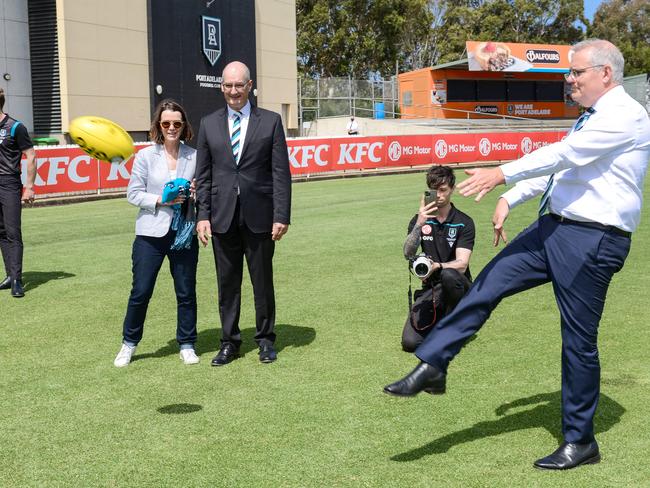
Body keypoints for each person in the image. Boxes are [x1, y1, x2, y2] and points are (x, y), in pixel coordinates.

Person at [384, 39, 650, 470]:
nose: (570, 80)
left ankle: (580, 442)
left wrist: (501, 173)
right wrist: (513, 196)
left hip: (593, 240)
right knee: (487, 284)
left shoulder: (626, 116)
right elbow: (564, 170)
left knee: (577, 343)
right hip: (554, 229)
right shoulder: (594, 116)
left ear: (605, 73)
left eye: (576, 72)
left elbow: (563, 154)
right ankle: (434, 364)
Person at [195, 61, 292, 366]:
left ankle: (265, 340)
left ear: (250, 86)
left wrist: (281, 215)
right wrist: (202, 215)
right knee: (227, 284)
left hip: (260, 216)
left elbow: (280, 173)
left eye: (239, 85)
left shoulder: (272, 121)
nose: (233, 91)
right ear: (221, 87)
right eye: (228, 85)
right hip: (222, 216)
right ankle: (229, 342)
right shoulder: (208, 124)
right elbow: (205, 174)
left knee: (262, 282)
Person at [113, 99, 200, 367]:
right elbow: (133, 194)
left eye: (176, 122)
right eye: (166, 123)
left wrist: (197, 192)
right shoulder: (144, 156)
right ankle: (128, 343)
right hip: (150, 234)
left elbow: (205, 189)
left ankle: (186, 343)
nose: (171, 127)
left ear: (183, 125)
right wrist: (162, 199)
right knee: (141, 291)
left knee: (186, 291)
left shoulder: (194, 155)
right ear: (158, 126)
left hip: (184, 232)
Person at [401, 165, 474, 352]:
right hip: (431, 289)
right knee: (410, 343)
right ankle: (442, 325)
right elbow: (408, 253)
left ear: (452, 189)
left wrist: (438, 266)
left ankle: (457, 326)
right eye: (434, 191)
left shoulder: (464, 222)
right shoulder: (420, 219)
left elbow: (462, 265)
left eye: (443, 190)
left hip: (458, 285)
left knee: (449, 274)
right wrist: (419, 224)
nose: (439, 195)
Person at [0, 88, 36, 298]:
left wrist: (29, 187)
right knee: (1, 232)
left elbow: (30, 156)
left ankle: (17, 280)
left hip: (9, 183)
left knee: (13, 233)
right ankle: (9, 275)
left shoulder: (15, 127)